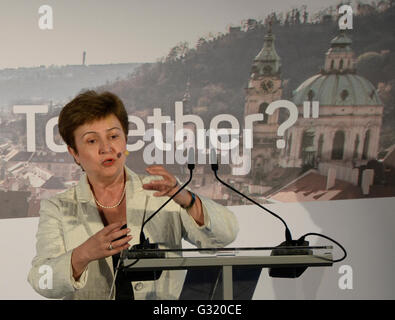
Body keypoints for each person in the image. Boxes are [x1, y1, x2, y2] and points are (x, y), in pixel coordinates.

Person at [27, 90, 239, 300]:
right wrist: (83, 254)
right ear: (74, 152)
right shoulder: (58, 207)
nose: (106, 148)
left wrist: (187, 200)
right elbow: (41, 280)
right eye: (92, 141)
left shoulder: (162, 190)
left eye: (113, 136)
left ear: (125, 140)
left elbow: (224, 236)